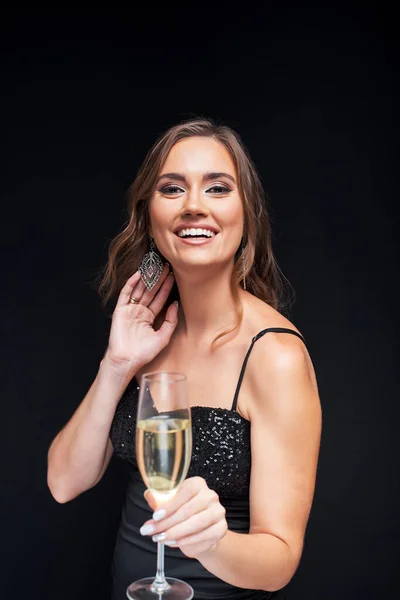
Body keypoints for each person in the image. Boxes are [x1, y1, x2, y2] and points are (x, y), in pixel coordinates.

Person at [47, 117, 322, 600]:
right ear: (149, 216)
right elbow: (64, 483)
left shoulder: (276, 356)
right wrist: (117, 365)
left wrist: (210, 542)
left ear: (246, 214)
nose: (194, 206)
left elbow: (280, 561)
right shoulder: (146, 332)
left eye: (218, 188)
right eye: (172, 189)